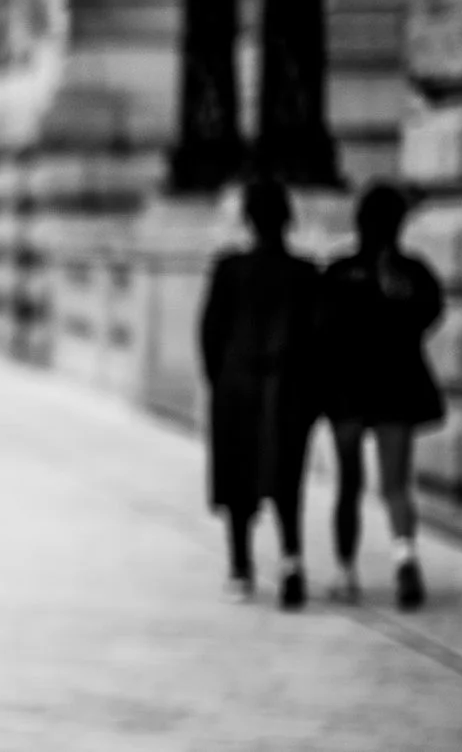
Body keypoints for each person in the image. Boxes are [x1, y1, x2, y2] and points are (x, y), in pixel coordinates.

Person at [197, 178, 324, 610]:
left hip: (236, 385)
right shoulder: (305, 273)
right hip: (288, 387)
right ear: (288, 220)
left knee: (238, 480)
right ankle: (291, 562)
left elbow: (210, 333)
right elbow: (317, 337)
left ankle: (241, 568)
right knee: (287, 478)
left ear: (248, 219)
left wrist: (220, 380)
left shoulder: (229, 269)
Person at [319, 184, 444, 609]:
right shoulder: (413, 273)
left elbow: (322, 333)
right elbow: (430, 314)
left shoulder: (338, 273)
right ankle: (405, 557)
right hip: (396, 390)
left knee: (348, 485)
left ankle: (344, 571)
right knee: (395, 484)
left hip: (347, 394)